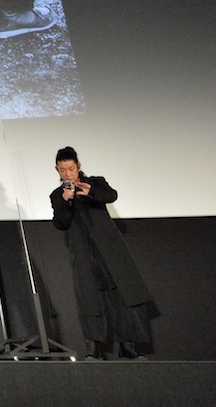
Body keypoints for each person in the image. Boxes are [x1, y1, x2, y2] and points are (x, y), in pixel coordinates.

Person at [50, 147, 152, 360]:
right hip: (83, 253)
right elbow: (61, 223)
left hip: (108, 251)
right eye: (63, 170)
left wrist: (90, 193)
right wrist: (66, 202)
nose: (68, 174)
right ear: (57, 170)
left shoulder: (95, 183)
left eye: (71, 168)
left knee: (121, 295)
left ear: (78, 166)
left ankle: (128, 345)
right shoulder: (57, 195)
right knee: (89, 299)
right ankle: (93, 347)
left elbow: (111, 195)